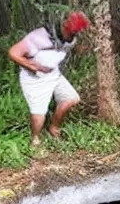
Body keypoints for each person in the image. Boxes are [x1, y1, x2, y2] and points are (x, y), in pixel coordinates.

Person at [8, 12, 90, 146]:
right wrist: (30, 65)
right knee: (39, 113)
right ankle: (35, 139)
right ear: (64, 25)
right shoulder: (39, 37)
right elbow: (13, 52)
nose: (74, 34)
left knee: (71, 99)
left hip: (54, 75)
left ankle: (54, 127)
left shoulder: (71, 39)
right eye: (72, 30)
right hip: (35, 79)